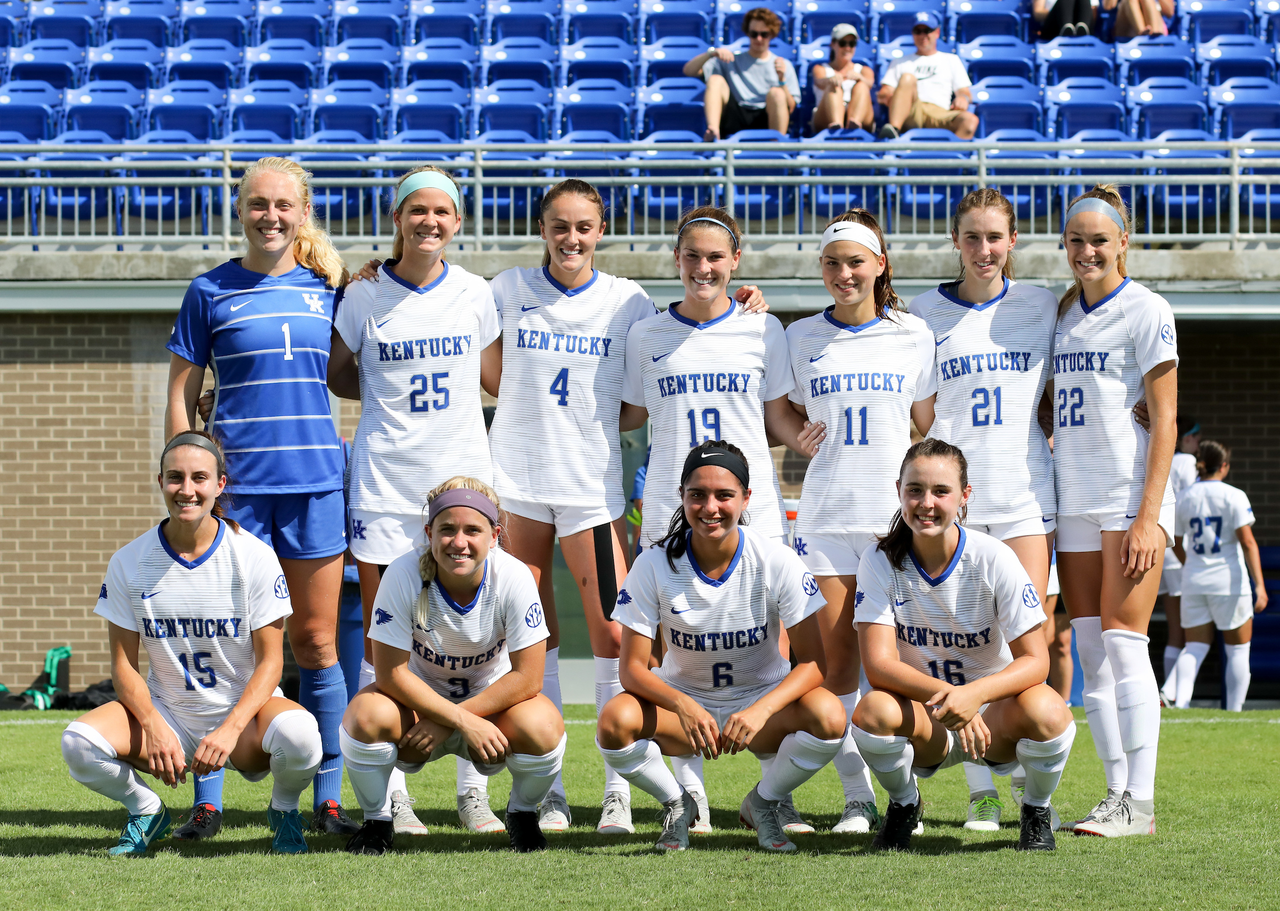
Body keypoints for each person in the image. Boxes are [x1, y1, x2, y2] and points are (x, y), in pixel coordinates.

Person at [164, 157, 355, 839]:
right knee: (229, 644)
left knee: (315, 642)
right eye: (257, 204)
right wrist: (188, 483)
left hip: (314, 488)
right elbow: (182, 393)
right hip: (236, 497)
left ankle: (327, 797)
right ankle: (208, 799)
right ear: (239, 211)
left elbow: (355, 376)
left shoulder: (330, 289)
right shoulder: (209, 291)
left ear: (303, 212)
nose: (270, 216)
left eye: (283, 205)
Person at [620, 206, 825, 832]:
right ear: (676, 261)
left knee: (775, 645)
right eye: (692, 257)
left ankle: (773, 791)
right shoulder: (648, 335)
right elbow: (630, 414)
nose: (703, 268)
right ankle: (689, 793)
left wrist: (819, 440)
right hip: (668, 507)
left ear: (735, 262)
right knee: (670, 650)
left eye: (716, 257)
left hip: (750, 511)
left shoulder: (765, 331)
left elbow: (777, 418)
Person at [328, 165, 505, 836]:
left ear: (458, 223)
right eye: (417, 210)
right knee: (389, 644)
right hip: (386, 484)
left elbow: (492, 379)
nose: (430, 221)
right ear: (397, 218)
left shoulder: (475, 293)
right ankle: (392, 794)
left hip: (461, 485)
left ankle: (472, 789)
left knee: (479, 641)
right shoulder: (365, 294)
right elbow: (342, 375)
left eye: (442, 211)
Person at [486, 179, 658, 835]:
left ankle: (618, 788)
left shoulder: (628, 301)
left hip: (592, 486)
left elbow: (637, 399)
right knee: (529, 636)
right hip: (520, 481)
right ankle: (547, 786)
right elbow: (491, 370)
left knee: (612, 633)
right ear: (542, 228)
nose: (572, 238)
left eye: (584, 226)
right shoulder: (506, 290)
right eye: (560, 225)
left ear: (601, 230)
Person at [62, 431, 323, 855]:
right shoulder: (129, 561)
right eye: (175, 478)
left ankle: (284, 809)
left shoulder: (252, 556)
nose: (187, 490)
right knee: (77, 743)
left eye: (199, 478)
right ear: (160, 481)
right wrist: (153, 725)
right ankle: (147, 810)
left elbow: (271, 663)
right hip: (170, 713)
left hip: (243, 719)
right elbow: (124, 667)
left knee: (302, 735)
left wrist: (229, 729)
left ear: (219, 484)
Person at [596, 441, 847, 852]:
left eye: (724, 495)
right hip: (686, 708)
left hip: (760, 707)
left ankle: (763, 804)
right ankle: (678, 806)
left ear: (746, 498)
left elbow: (816, 664)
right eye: (697, 495)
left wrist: (760, 709)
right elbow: (632, 671)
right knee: (614, 720)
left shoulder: (776, 560)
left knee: (829, 714)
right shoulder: (654, 564)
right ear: (682, 497)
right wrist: (683, 705)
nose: (710, 507)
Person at [909, 188, 1059, 833]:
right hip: (955, 503)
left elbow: (1087, 363)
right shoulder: (922, 314)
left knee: (1031, 644)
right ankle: (980, 792)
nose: (984, 250)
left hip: (1026, 498)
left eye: (994, 237)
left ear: (1013, 241)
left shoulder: (1043, 304)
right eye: (972, 237)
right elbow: (919, 410)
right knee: (964, 651)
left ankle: (1023, 781)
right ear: (955, 241)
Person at [786, 211, 936, 835]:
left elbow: (927, 423)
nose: (844, 274)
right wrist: (796, 436)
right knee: (838, 666)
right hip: (823, 516)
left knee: (896, 661)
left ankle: (907, 790)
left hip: (890, 520)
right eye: (832, 263)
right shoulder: (798, 337)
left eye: (856, 262)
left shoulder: (914, 334)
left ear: (880, 265)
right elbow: (783, 413)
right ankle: (857, 797)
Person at [851, 439, 1077, 852]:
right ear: (898, 490)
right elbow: (879, 664)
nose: (926, 503)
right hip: (929, 719)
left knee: (1049, 710)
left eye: (941, 491)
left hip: (993, 721)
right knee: (871, 712)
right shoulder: (879, 559)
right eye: (915, 490)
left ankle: (1036, 809)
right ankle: (905, 805)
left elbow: (1037, 660)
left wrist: (974, 696)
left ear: (964, 496)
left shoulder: (994, 557)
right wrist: (953, 699)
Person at [339, 477, 566, 855]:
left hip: (490, 715)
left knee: (543, 724)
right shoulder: (401, 573)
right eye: (447, 529)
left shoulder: (513, 576)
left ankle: (522, 815)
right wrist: (456, 720)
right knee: (365, 715)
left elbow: (529, 677)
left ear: (494, 536)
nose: (459, 542)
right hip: (417, 715)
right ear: (429, 533)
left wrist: (454, 719)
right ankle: (378, 820)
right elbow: (389, 673)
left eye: (472, 531)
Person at [1053, 185, 1178, 838]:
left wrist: (1148, 515)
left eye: (1099, 239)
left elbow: (1165, 420)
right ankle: (1113, 795)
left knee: (1128, 643)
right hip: (1072, 498)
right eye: (1076, 240)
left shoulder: (1147, 309)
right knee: (1091, 647)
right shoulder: (1063, 311)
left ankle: (1143, 801)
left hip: (1128, 498)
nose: (1087, 250)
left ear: (1123, 242)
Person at [1167, 441, 1267, 711]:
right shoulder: (1234, 495)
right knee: (1237, 650)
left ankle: (1178, 702)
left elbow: (1175, 541)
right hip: (1229, 583)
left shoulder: (1185, 496)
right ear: (1223, 466)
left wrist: (1192, 565)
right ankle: (1235, 711)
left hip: (1194, 581)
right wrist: (1260, 586)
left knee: (1195, 647)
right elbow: (1248, 543)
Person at [682, 7, 801, 140]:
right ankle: (713, 133)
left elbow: (791, 107)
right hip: (735, 115)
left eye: (764, 34)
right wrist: (711, 54)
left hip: (766, 118)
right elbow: (689, 71)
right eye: (754, 34)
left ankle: (777, 144)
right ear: (747, 33)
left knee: (777, 93)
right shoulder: (731, 59)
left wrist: (782, 80)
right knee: (715, 79)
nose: (759, 39)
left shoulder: (783, 65)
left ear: (772, 34)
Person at [876, 12, 976, 141]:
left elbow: (965, 92)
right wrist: (887, 96)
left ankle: (951, 157)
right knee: (908, 78)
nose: (923, 35)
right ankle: (894, 130)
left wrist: (963, 99)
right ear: (913, 34)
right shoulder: (899, 62)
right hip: (910, 111)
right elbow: (885, 91)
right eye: (918, 31)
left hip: (940, 112)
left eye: (927, 30)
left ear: (937, 33)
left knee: (969, 121)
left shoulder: (951, 60)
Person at [1158, 415, 1201, 703]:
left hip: (1160, 550)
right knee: (1190, 633)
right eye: (1197, 437)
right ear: (1186, 439)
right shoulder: (1186, 462)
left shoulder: (1157, 454)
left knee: (1176, 632)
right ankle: (1171, 694)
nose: (1199, 443)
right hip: (1178, 552)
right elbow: (1191, 505)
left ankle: (1169, 695)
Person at [808, 23, 874, 134]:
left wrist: (861, 79)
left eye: (852, 43)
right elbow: (819, 81)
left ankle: (854, 123)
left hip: (862, 118)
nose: (848, 48)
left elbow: (870, 83)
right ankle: (837, 124)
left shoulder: (864, 70)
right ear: (833, 44)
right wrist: (830, 80)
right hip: (824, 118)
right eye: (843, 43)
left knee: (862, 86)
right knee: (833, 86)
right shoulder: (820, 68)